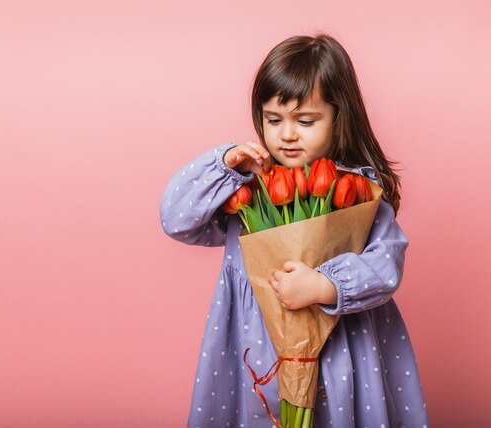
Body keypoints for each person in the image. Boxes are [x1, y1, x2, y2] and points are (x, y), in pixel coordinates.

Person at [160, 33, 429, 428]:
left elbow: (387, 264)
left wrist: (326, 286)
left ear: (340, 117)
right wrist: (222, 165)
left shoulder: (357, 192)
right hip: (256, 343)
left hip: (340, 347)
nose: (287, 134)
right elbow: (177, 220)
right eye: (274, 120)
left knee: (335, 412)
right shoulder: (248, 190)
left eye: (305, 121)